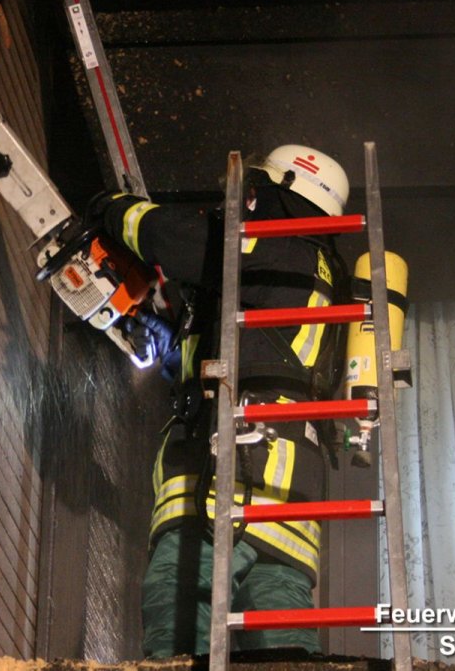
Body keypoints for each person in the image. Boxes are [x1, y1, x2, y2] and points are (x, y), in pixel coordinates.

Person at [91, 144, 351, 658]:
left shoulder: (276, 243)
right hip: (293, 502)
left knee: (180, 605)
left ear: (287, 194)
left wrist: (112, 209)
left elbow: (181, 240)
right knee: (282, 646)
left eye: (258, 190)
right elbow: (263, 358)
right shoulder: (322, 276)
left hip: (229, 478)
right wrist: (172, 342)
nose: (246, 200)